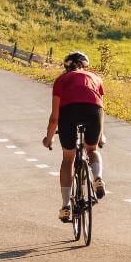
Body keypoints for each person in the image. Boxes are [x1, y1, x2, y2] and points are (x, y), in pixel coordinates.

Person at [42, 51, 106, 223]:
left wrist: (49, 138)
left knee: (68, 158)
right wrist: (100, 135)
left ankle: (65, 206)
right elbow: (100, 109)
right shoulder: (96, 78)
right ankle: (98, 178)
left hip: (69, 113)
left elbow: (55, 117)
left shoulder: (61, 80)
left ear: (66, 67)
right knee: (92, 149)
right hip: (93, 112)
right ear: (85, 66)